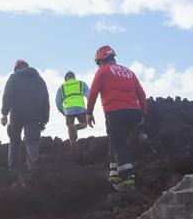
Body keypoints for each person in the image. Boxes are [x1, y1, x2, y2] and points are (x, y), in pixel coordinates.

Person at [86, 46, 148, 191]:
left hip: (115, 112)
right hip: (134, 112)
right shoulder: (129, 72)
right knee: (113, 141)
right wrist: (143, 114)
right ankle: (114, 173)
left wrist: (89, 113)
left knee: (119, 145)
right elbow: (142, 94)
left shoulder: (102, 71)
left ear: (101, 61)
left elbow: (93, 92)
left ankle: (127, 180)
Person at [1, 59, 50, 170]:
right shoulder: (40, 80)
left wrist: (4, 113)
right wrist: (44, 120)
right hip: (34, 117)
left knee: (14, 140)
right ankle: (33, 169)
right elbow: (45, 102)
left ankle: (13, 169)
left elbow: (7, 96)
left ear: (16, 69)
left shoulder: (13, 78)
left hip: (16, 116)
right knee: (31, 141)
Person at [55, 71, 90, 146]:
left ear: (65, 79)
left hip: (68, 109)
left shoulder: (62, 87)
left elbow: (58, 102)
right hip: (80, 108)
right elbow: (89, 96)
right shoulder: (81, 83)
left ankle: (72, 144)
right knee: (84, 124)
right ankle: (76, 127)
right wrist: (89, 108)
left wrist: (63, 112)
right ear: (74, 77)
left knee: (70, 126)